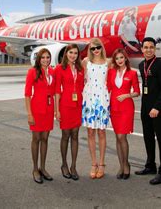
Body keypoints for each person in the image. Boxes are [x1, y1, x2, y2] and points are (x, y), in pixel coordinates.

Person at [136, 37, 161, 185]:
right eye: (146, 47)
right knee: (148, 138)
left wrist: (157, 107)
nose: (148, 50)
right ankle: (150, 166)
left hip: (158, 110)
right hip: (145, 109)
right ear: (142, 49)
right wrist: (146, 108)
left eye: (151, 47)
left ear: (155, 49)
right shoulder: (141, 65)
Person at [107, 48, 140, 179]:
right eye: (117, 58)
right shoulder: (111, 72)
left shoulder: (132, 73)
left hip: (126, 108)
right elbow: (108, 88)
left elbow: (137, 92)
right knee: (117, 137)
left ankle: (126, 165)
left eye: (121, 57)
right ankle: (121, 166)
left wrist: (127, 95)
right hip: (114, 108)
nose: (119, 60)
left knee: (122, 137)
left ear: (125, 58)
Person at [24, 48, 55, 184]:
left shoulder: (52, 72)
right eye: (43, 57)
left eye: (48, 57)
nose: (46, 60)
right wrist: (29, 113)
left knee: (45, 138)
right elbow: (27, 94)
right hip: (36, 109)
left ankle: (43, 168)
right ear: (38, 59)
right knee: (36, 138)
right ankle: (35, 169)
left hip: (49, 109)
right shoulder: (33, 71)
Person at [81, 38, 111, 179]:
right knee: (91, 133)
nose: (96, 50)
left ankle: (102, 163)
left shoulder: (108, 63)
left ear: (102, 47)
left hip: (103, 99)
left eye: (98, 47)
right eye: (92, 48)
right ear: (89, 50)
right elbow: (78, 77)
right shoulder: (86, 62)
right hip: (89, 99)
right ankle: (93, 164)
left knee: (102, 133)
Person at [54, 44, 85, 180]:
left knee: (75, 134)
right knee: (65, 134)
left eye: (76, 53)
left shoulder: (80, 68)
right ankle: (64, 164)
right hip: (65, 105)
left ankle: (73, 166)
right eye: (71, 53)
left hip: (77, 105)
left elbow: (82, 87)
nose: (73, 55)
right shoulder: (60, 69)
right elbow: (56, 91)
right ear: (66, 53)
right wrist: (57, 111)